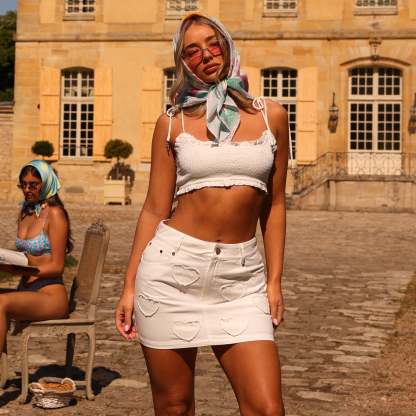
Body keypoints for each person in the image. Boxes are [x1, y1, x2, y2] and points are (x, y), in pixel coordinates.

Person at [115, 13, 289, 416]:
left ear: (227, 45)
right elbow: (154, 209)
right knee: (175, 407)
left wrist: (274, 280)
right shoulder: (172, 122)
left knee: (267, 409)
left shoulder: (272, 116)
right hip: (171, 274)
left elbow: (276, 204)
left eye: (213, 44)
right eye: (192, 51)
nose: (206, 55)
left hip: (241, 280)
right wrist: (128, 286)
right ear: (183, 63)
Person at [0, 160, 72, 357]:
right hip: (27, 289)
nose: (27, 189)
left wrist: (21, 271)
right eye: (23, 184)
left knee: (1, 302)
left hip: (50, 295)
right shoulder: (27, 212)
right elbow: (25, 257)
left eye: (33, 185)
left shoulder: (55, 214)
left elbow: (57, 266)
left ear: (46, 183)